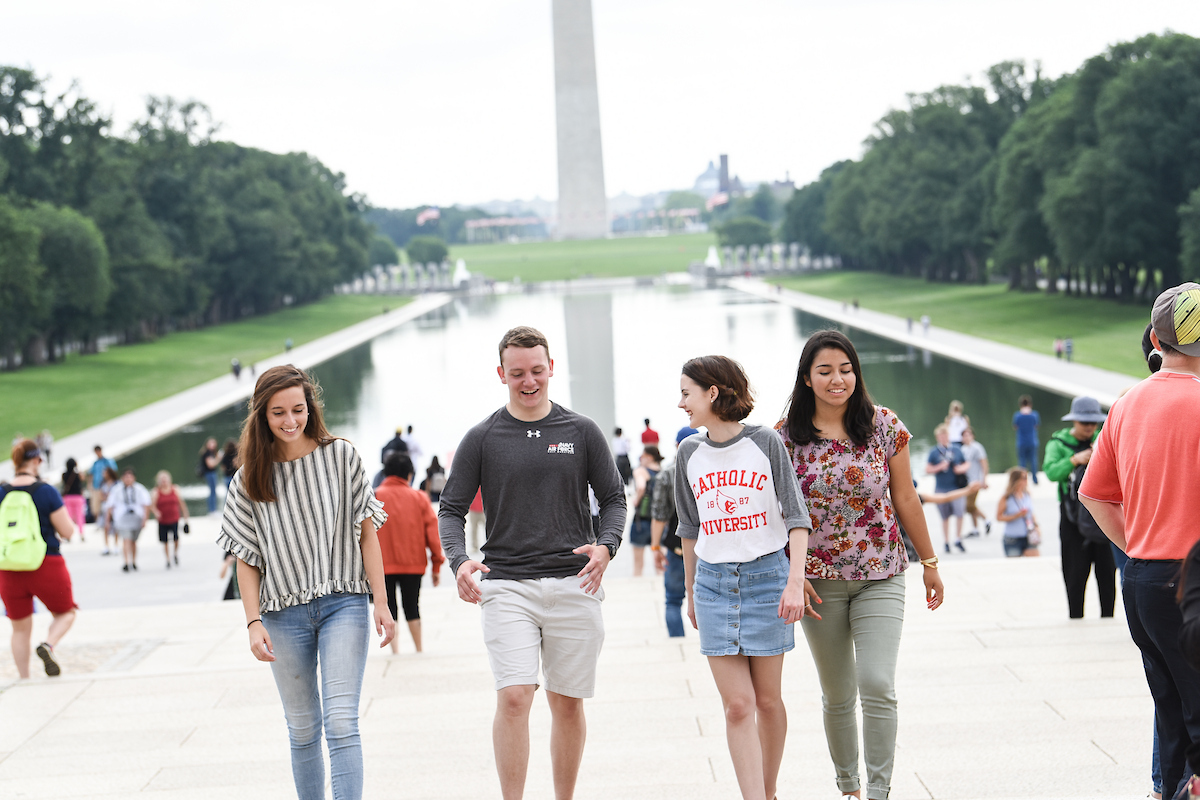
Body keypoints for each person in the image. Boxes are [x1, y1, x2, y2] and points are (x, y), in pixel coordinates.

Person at [437, 325, 625, 800]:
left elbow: (614, 498)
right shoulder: (482, 437)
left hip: (574, 583)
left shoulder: (580, 431)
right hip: (507, 586)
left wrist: (606, 546)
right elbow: (451, 509)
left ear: (551, 368)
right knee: (515, 696)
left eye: (537, 371)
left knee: (566, 704)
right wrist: (458, 560)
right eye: (517, 373)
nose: (528, 381)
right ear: (501, 373)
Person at [778, 329, 946, 800]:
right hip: (818, 583)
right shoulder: (786, 438)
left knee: (876, 683)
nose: (838, 380)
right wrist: (790, 576)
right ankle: (848, 786)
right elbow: (778, 514)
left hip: (882, 574)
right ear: (807, 379)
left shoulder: (884, 426)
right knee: (837, 695)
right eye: (825, 371)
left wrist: (929, 561)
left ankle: (879, 791)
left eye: (846, 369)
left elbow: (906, 497)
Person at [216, 364, 395, 800]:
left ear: (310, 407)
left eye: (298, 409)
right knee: (302, 729)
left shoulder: (342, 456)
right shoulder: (248, 479)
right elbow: (246, 559)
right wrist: (253, 622)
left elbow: (367, 534)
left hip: (344, 604)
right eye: (278, 413)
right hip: (281, 615)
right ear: (262, 415)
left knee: (340, 722)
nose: (290, 420)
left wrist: (382, 603)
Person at [1080, 282, 1200, 798]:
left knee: (1171, 712)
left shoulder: (1128, 403)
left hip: (1144, 578)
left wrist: (1138, 546)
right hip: (1193, 580)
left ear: (1155, 337)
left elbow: (1096, 495)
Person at [674, 355, 812, 800]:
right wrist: (690, 593)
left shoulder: (765, 442)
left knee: (767, 701)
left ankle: (767, 791)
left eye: (686, 393)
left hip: (768, 580)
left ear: (712, 393)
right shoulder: (688, 453)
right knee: (738, 706)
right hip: (713, 585)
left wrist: (794, 581)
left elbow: (796, 517)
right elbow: (688, 530)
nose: (681, 403)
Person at [0, 440, 78, 678]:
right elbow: (67, 531)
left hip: (9, 567)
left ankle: (24, 678)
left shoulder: (1, 491)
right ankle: (48, 645)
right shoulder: (45, 491)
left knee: (20, 628)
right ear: (36, 461)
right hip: (46, 563)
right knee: (66, 612)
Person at [1044, 396, 1114, 619]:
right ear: (1074, 421)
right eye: (1085, 423)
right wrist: (1075, 460)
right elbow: (1051, 472)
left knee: (1107, 573)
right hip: (1072, 518)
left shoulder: (1103, 439)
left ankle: (1108, 617)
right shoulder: (1058, 443)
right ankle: (1075, 616)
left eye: (1094, 423)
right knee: (1075, 574)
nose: (1090, 427)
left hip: (1102, 517)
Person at [374, 451, 444, 654]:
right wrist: (437, 565)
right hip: (413, 563)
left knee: (389, 607)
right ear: (409, 475)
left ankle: (394, 651)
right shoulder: (419, 497)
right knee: (412, 605)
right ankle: (419, 649)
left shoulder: (375, 496)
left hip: (382, 565)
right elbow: (432, 534)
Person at [650, 425, 698, 638]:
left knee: (672, 600)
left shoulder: (666, 475)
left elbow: (659, 515)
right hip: (707, 548)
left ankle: (677, 640)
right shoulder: (707, 470)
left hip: (675, 546)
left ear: (677, 445)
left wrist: (655, 547)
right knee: (709, 600)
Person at [925, 424, 969, 553]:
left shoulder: (956, 449)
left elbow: (966, 463)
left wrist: (961, 469)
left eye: (945, 436)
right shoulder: (934, 452)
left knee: (960, 512)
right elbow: (927, 469)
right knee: (945, 516)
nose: (944, 438)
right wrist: (939, 467)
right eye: (941, 436)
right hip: (941, 488)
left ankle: (958, 538)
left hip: (956, 487)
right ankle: (946, 541)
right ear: (938, 437)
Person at [105, 468, 151, 572]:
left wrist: (145, 519)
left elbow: (146, 504)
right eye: (126, 477)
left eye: (130, 477)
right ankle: (126, 562)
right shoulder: (116, 490)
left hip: (136, 516)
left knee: (133, 541)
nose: (128, 479)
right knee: (126, 539)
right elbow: (110, 505)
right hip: (122, 517)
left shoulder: (140, 489)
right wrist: (108, 521)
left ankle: (133, 561)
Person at [628, 446, 662, 578]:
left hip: (641, 521)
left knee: (638, 564)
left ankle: (637, 591)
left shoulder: (640, 471)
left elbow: (641, 486)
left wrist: (636, 499)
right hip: (659, 521)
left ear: (649, 457)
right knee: (660, 563)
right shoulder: (662, 472)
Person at [996, 467, 1040, 557]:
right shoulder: (1006, 497)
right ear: (1016, 480)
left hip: (1028, 535)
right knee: (1015, 567)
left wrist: (1036, 526)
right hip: (1012, 538)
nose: (1026, 481)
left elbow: (1031, 513)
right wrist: (1016, 515)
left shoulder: (1027, 494)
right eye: (1024, 478)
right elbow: (999, 517)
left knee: (1036, 562)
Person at [151, 470, 189, 569]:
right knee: (165, 541)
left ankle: (175, 553)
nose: (164, 482)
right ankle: (168, 559)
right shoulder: (156, 492)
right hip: (163, 519)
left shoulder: (175, 489)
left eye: (165, 479)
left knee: (176, 538)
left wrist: (186, 517)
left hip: (174, 518)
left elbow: (181, 503)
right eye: (162, 480)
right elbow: (152, 505)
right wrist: (156, 512)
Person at [959, 427, 990, 537]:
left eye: (968, 435)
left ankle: (986, 520)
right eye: (964, 435)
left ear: (972, 436)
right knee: (971, 505)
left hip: (975, 480)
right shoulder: (962, 449)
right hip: (967, 481)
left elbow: (984, 463)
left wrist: (984, 480)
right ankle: (975, 529)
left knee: (968, 505)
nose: (966, 437)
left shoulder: (977, 447)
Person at [1012, 395, 1041, 484]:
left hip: (1021, 441)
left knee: (1022, 462)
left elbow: (1015, 427)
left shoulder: (1017, 415)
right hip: (1032, 441)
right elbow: (1036, 426)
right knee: (1033, 461)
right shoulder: (1034, 415)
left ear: (1020, 404)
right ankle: (1035, 479)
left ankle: (1022, 480)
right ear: (1030, 404)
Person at [88, 445, 117, 531]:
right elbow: (91, 474)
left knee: (108, 504)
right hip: (97, 486)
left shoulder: (108, 461)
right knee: (96, 506)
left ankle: (109, 521)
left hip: (107, 486)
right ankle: (98, 523)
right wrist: (90, 485)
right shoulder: (95, 463)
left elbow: (113, 471)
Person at [60, 458, 87, 543]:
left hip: (68, 497)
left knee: (69, 517)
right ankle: (81, 533)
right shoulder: (77, 474)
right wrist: (77, 467)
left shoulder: (64, 474)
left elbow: (63, 483)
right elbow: (83, 478)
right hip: (78, 497)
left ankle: (68, 535)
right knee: (79, 516)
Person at [98, 466, 118, 556]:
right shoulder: (103, 483)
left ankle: (116, 545)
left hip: (115, 507)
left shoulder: (116, 483)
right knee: (106, 526)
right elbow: (101, 495)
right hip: (105, 506)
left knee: (116, 527)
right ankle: (106, 545)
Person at [198, 438, 220, 514]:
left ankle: (213, 510)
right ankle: (212, 510)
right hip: (210, 474)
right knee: (212, 491)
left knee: (213, 491)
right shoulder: (207, 453)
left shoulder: (210, 452)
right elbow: (211, 464)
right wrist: (218, 458)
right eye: (211, 443)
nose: (213, 445)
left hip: (211, 473)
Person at [466, 488, 485, 553]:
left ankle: (490, 545)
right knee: (474, 529)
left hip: (484, 510)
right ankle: (475, 546)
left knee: (488, 529)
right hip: (473, 510)